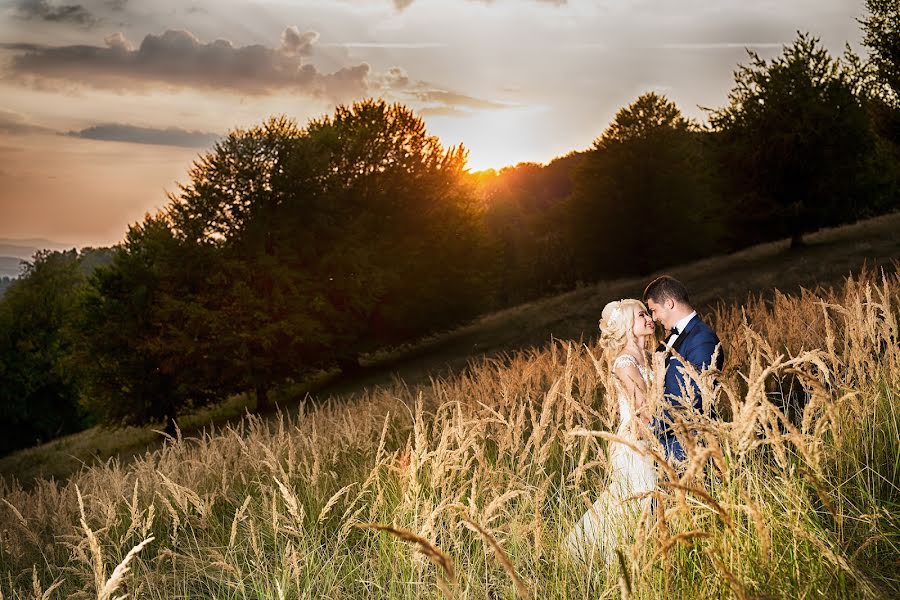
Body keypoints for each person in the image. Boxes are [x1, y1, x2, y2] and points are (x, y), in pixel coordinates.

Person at [565, 299, 658, 563]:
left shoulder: (653, 356)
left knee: (650, 498)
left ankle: (645, 552)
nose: (648, 318)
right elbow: (644, 409)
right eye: (641, 315)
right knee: (639, 498)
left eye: (647, 313)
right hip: (637, 441)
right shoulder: (625, 362)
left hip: (656, 435)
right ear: (628, 324)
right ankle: (614, 555)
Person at [643, 275, 724, 463]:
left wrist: (653, 425)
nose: (654, 318)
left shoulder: (701, 339)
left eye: (654, 310)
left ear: (669, 303)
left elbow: (695, 396)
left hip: (689, 442)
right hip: (668, 440)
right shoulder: (670, 339)